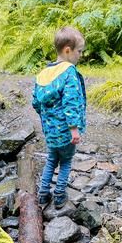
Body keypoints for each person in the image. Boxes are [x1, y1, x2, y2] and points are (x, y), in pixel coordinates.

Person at [32, 26, 86, 209]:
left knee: (51, 159)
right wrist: (74, 129)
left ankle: (43, 194)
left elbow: (36, 103)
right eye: (80, 51)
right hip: (66, 132)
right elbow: (71, 102)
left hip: (50, 131)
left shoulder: (43, 74)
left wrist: (48, 120)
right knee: (66, 162)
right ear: (68, 50)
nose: (81, 55)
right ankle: (60, 195)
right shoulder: (69, 72)